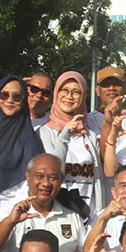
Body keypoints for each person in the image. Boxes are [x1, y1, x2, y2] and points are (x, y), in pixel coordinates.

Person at [0, 153, 86, 252]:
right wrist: (10, 222)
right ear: (28, 176)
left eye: (53, 178)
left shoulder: (72, 215)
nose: (46, 183)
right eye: (39, 176)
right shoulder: (8, 211)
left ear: (62, 179)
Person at [0, 76, 45, 211]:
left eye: (16, 97)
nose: (9, 100)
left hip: (13, 205)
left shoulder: (30, 138)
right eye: (4, 95)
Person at [41, 71, 100, 214]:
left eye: (76, 92)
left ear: (83, 97)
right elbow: (53, 168)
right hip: (57, 212)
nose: (69, 96)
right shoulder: (44, 132)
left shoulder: (90, 135)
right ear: (57, 93)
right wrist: (66, 133)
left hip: (88, 214)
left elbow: (99, 177)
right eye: (64, 90)